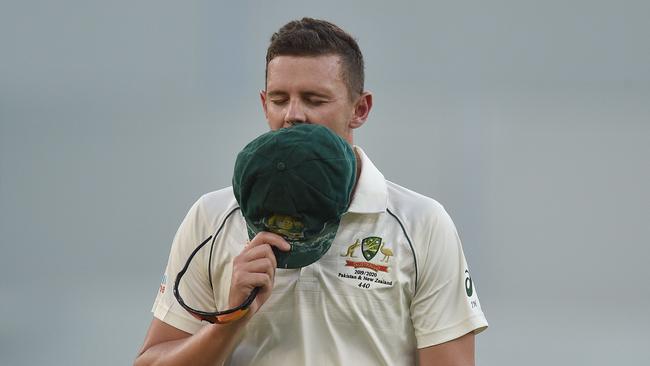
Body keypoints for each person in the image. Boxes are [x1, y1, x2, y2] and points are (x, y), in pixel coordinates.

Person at [135, 17, 488, 366]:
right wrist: (231, 321)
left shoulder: (421, 223)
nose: (292, 115)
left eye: (314, 100)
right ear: (263, 104)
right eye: (279, 99)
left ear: (360, 109)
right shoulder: (211, 216)